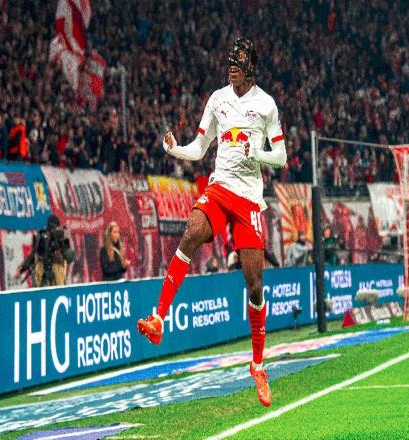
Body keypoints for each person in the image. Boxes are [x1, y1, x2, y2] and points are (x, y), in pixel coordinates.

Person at [137, 38, 286, 407]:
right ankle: (159, 318)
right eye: (230, 61)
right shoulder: (218, 99)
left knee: (255, 285)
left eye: (238, 62)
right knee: (190, 233)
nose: (232, 66)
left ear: (251, 67)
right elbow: (200, 147)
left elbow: (281, 156)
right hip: (220, 189)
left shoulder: (266, 105)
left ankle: (257, 366)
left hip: (249, 199)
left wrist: (258, 152)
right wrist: (175, 148)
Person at [17, 215, 73, 287]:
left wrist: (22, 269)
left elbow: (69, 256)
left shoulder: (44, 236)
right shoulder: (42, 237)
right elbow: (33, 255)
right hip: (47, 274)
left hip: (50, 276)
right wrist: (22, 269)